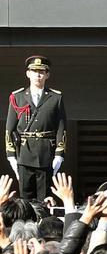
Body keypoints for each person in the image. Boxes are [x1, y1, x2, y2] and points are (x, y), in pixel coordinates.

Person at [5, 57, 67, 202]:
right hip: (24, 153)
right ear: (28, 74)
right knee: (25, 199)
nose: (38, 75)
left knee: (44, 199)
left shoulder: (55, 97)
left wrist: (59, 154)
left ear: (47, 75)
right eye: (34, 71)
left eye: (41, 72)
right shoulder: (17, 96)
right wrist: (11, 155)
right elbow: (9, 128)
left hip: (46, 153)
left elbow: (61, 128)